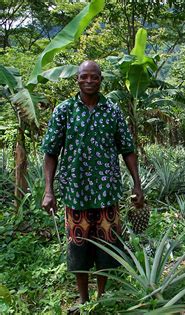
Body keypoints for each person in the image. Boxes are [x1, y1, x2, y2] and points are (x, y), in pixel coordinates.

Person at [41, 60, 144, 308]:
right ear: (77, 79)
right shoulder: (64, 110)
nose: (89, 81)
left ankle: (100, 297)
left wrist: (137, 185)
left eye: (94, 77)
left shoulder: (112, 110)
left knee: (106, 249)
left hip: (107, 192)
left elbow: (128, 149)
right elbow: (50, 152)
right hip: (76, 193)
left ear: (101, 80)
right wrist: (48, 190)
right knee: (78, 247)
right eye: (84, 77)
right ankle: (84, 299)